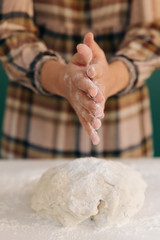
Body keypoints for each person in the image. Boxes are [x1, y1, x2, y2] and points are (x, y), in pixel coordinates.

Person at [0, 0, 160, 159]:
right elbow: (12, 32)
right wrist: (62, 79)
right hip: (35, 129)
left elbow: (152, 32)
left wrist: (110, 78)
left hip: (122, 129)